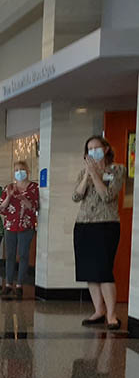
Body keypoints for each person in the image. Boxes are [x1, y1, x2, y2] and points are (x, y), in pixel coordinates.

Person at [73, 136, 125, 329]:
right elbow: (76, 196)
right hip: (84, 225)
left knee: (103, 271)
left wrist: (96, 174)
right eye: (89, 149)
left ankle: (112, 315)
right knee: (89, 272)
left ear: (106, 148)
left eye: (97, 147)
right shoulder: (83, 172)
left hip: (106, 225)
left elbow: (107, 196)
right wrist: (88, 174)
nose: (93, 151)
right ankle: (98, 311)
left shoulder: (117, 170)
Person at [0, 161, 39, 299]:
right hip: (10, 226)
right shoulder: (9, 187)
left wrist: (24, 199)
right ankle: (8, 284)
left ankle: (20, 285)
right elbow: (1, 208)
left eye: (22, 169)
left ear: (27, 171)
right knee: (9, 255)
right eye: (16, 170)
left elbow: (35, 207)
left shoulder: (34, 187)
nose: (19, 172)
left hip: (26, 226)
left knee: (23, 254)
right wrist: (9, 196)